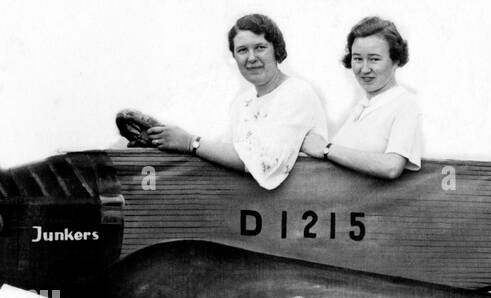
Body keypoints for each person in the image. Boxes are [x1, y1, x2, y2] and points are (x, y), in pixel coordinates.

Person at [147, 14, 327, 190]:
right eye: (242, 50)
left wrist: (191, 143)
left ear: (276, 50)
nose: (251, 58)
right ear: (234, 56)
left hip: (299, 203)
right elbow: (227, 153)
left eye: (260, 47)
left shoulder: (297, 92)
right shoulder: (244, 101)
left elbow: (266, 164)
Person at [303, 17, 422, 179]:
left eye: (374, 59)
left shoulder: (405, 103)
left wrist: (326, 149)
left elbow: (392, 167)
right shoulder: (362, 106)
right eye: (358, 58)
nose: (364, 69)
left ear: (395, 61)